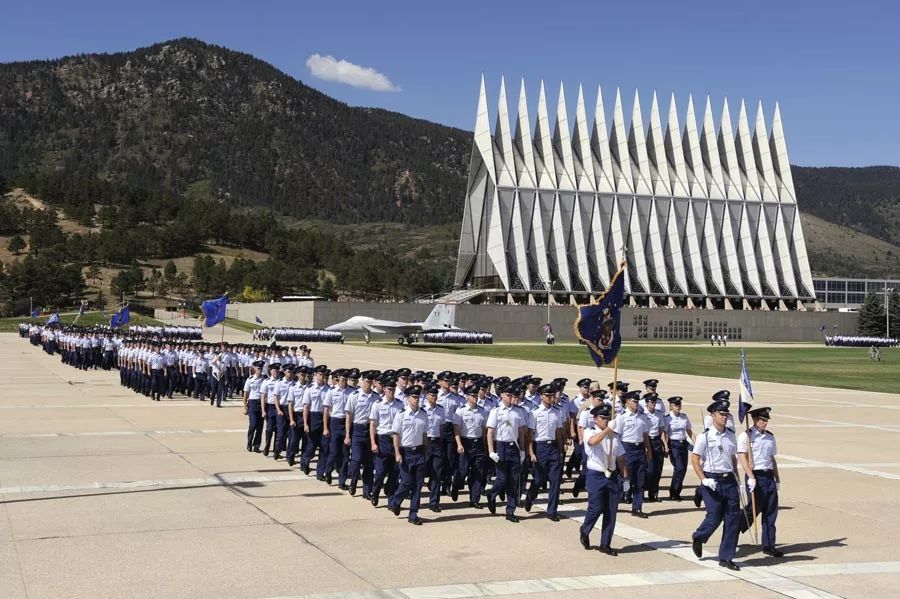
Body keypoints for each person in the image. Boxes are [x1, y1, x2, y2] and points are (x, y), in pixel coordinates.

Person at [691, 396, 742, 571]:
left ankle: (726, 557)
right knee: (714, 516)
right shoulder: (704, 437)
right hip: (712, 479)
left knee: (732, 519)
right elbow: (696, 459)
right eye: (721, 414)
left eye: (726, 414)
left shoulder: (730, 435)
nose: (724, 416)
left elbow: (733, 458)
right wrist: (703, 479)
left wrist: (737, 477)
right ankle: (699, 536)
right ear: (712, 415)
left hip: (729, 480)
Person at [579, 405, 628, 555]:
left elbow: (620, 458)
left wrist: (626, 478)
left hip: (612, 475)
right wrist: (608, 430)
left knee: (611, 511)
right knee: (596, 507)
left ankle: (605, 544)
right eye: (603, 418)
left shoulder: (614, 436)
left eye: (608, 418)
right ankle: (585, 529)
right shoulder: (589, 431)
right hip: (596, 475)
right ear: (595, 419)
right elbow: (593, 442)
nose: (606, 421)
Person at [738, 406, 783, 557]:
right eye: (763, 420)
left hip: (768, 476)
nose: (765, 423)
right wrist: (750, 476)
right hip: (755, 476)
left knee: (771, 512)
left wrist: (777, 479)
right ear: (755, 420)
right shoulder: (746, 436)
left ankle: (769, 545)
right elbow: (742, 457)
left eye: (766, 420)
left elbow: (772, 459)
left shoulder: (770, 437)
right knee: (753, 509)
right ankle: (735, 526)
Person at [486, 384, 529, 522]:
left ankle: (510, 510)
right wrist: (491, 451)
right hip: (501, 446)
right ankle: (491, 494)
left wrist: (522, 450)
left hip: (514, 447)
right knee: (502, 479)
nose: (511, 397)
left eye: (512, 395)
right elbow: (490, 432)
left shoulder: (519, 411)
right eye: (508, 394)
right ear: (502, 396)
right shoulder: (496, 411)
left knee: (513, 481)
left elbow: (521, 432)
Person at [388, 385, 429, 524]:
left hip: (419, 452)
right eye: (414, 397)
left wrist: (426, 451)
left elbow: (424, 435)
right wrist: (397, 453)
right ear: (407, 398)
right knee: (406, 482)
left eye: (418, 397)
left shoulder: (423, 414)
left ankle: (413, 514)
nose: (417, 400)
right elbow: (395, 435)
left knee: (418, 485)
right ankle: (396, 501)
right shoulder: (401, 414)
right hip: (405, 452)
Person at [524, 383, 565, 521]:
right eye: (548, 395)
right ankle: (530, 496)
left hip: (553, 447)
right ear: (541, 396)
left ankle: (552, 511)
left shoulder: (557, 412)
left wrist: (561, 450)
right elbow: (530, 434)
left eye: (552, 395)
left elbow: (559, 433)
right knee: (539, 479)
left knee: (555, 481)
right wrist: (531, 452)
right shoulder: (535, 413)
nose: (551, 398)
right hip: (540, 447)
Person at [610, 390, 651, 518]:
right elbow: (617, 436)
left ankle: (637, 507)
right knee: (624, 478)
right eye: (634, 401)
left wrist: (648, 449)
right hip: (626, 449)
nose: (636, 403)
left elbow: (645, 435)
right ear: (627, 402)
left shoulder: (642, 416)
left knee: (640, 481)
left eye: (637, 401)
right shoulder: (622, 417)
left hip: (639, 449)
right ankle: (614, 504)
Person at [451, 385, 489, 508]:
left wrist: (485, 446)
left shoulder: (482, 411)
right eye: (473, 395)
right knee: (462, 471)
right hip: (465, 443)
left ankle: (474, 499)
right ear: (467, 397)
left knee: (478, 472)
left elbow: (484, 430)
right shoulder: (461, 410)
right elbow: (456, 429)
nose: (475, 397)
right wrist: (459, 444)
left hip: (478, 444)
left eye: (476, 395)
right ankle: (456, 485)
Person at [345, 370, 380, 498]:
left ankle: (367, 491)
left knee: (369, 463)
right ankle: (353, 481)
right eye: (366, 381)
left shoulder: (376, 397)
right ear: (362, 381)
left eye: (370, 382)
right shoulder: (354, 396)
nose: (368, 384)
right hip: (357, 430)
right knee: (356, 460)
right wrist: (348, 435)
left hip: (370, 431)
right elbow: (348, 416)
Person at [369, 378, 404, 506]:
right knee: (380, 472)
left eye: (393, 389)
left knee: (394, 473)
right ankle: (375, 492)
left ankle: (391, 501)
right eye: (389, 389)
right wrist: (373, 442)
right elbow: (373, 424)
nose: (391, 391)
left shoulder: (400, 405)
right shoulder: (377, 404)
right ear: (384, 389)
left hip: (395, 440)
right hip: (382, 439)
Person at [665, 397, 693, 500]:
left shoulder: (684, 417)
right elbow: (665, 433)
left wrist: (697, 442)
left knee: (683, 469)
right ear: (671, 406)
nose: (678, 407)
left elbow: (689, 431)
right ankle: (674, 491)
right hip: (673, 444)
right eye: (676, 405)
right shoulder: (667, 418)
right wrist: (666, 445)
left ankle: (676, 492)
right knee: (679, 468)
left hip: (683, 444)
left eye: (679, 405)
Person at [642, 393, 668, 502]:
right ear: (647, 403)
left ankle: (653, 494)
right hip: (646, 441)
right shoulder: (643, 414)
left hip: (657, 441)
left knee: (658, 469)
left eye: (654, 402)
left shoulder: (659, 414)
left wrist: (665, 445)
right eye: (651, 402)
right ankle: (642, 492)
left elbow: (661, 430)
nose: (653, 404)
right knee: (648, 470)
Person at [243, 361, 265, 452]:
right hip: (252, 403)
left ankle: (256, 445)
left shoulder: (265, 380)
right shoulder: (250, 379)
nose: (260, 370)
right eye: (258, 368)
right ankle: (249, 443)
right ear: (255, 368)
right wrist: (244, 406)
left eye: (261, 368)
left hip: (262, 404)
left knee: (260, 426)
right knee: (253, 425)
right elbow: (246, 393)